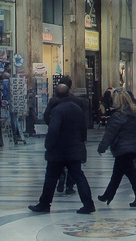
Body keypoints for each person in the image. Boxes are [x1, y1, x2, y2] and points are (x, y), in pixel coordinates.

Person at [29, 84, 96, 214]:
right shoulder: (77, 109)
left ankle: (44, 204)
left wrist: (49, 145)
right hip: (74, 149)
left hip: (59, 150)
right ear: (68, 93)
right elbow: (84, 128)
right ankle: (88, 204)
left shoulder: (57, 110)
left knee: (51, 177)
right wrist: (82, 142)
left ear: (56, 95)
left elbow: (53, 129)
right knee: (79, 176)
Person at [96, 90, 136, 208]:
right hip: (133, 147)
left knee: (128, 173)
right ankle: (109, 195)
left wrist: (102, 147)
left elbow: (110, 134)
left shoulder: (118, 116)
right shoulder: (132, 112)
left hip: (123, 148)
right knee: (120, 173)